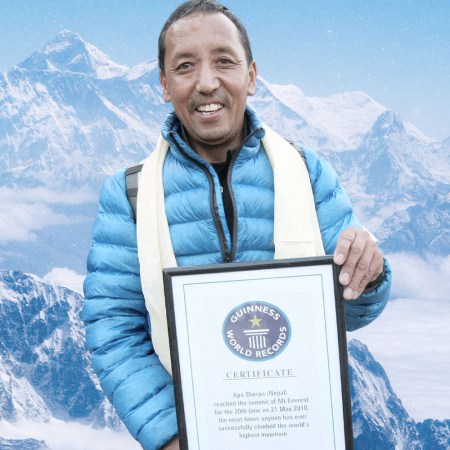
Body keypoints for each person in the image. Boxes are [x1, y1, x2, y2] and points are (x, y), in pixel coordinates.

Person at [82, 1, 391, 449]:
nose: (207, 82)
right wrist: (171, 435)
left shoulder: (307, 174)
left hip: (296, 427)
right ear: (165, 85)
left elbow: (350, 312)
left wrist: (370, 273)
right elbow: (112, 328)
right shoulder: (130, 193)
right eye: (185, 66)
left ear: (251, 75)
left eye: (224, 61)